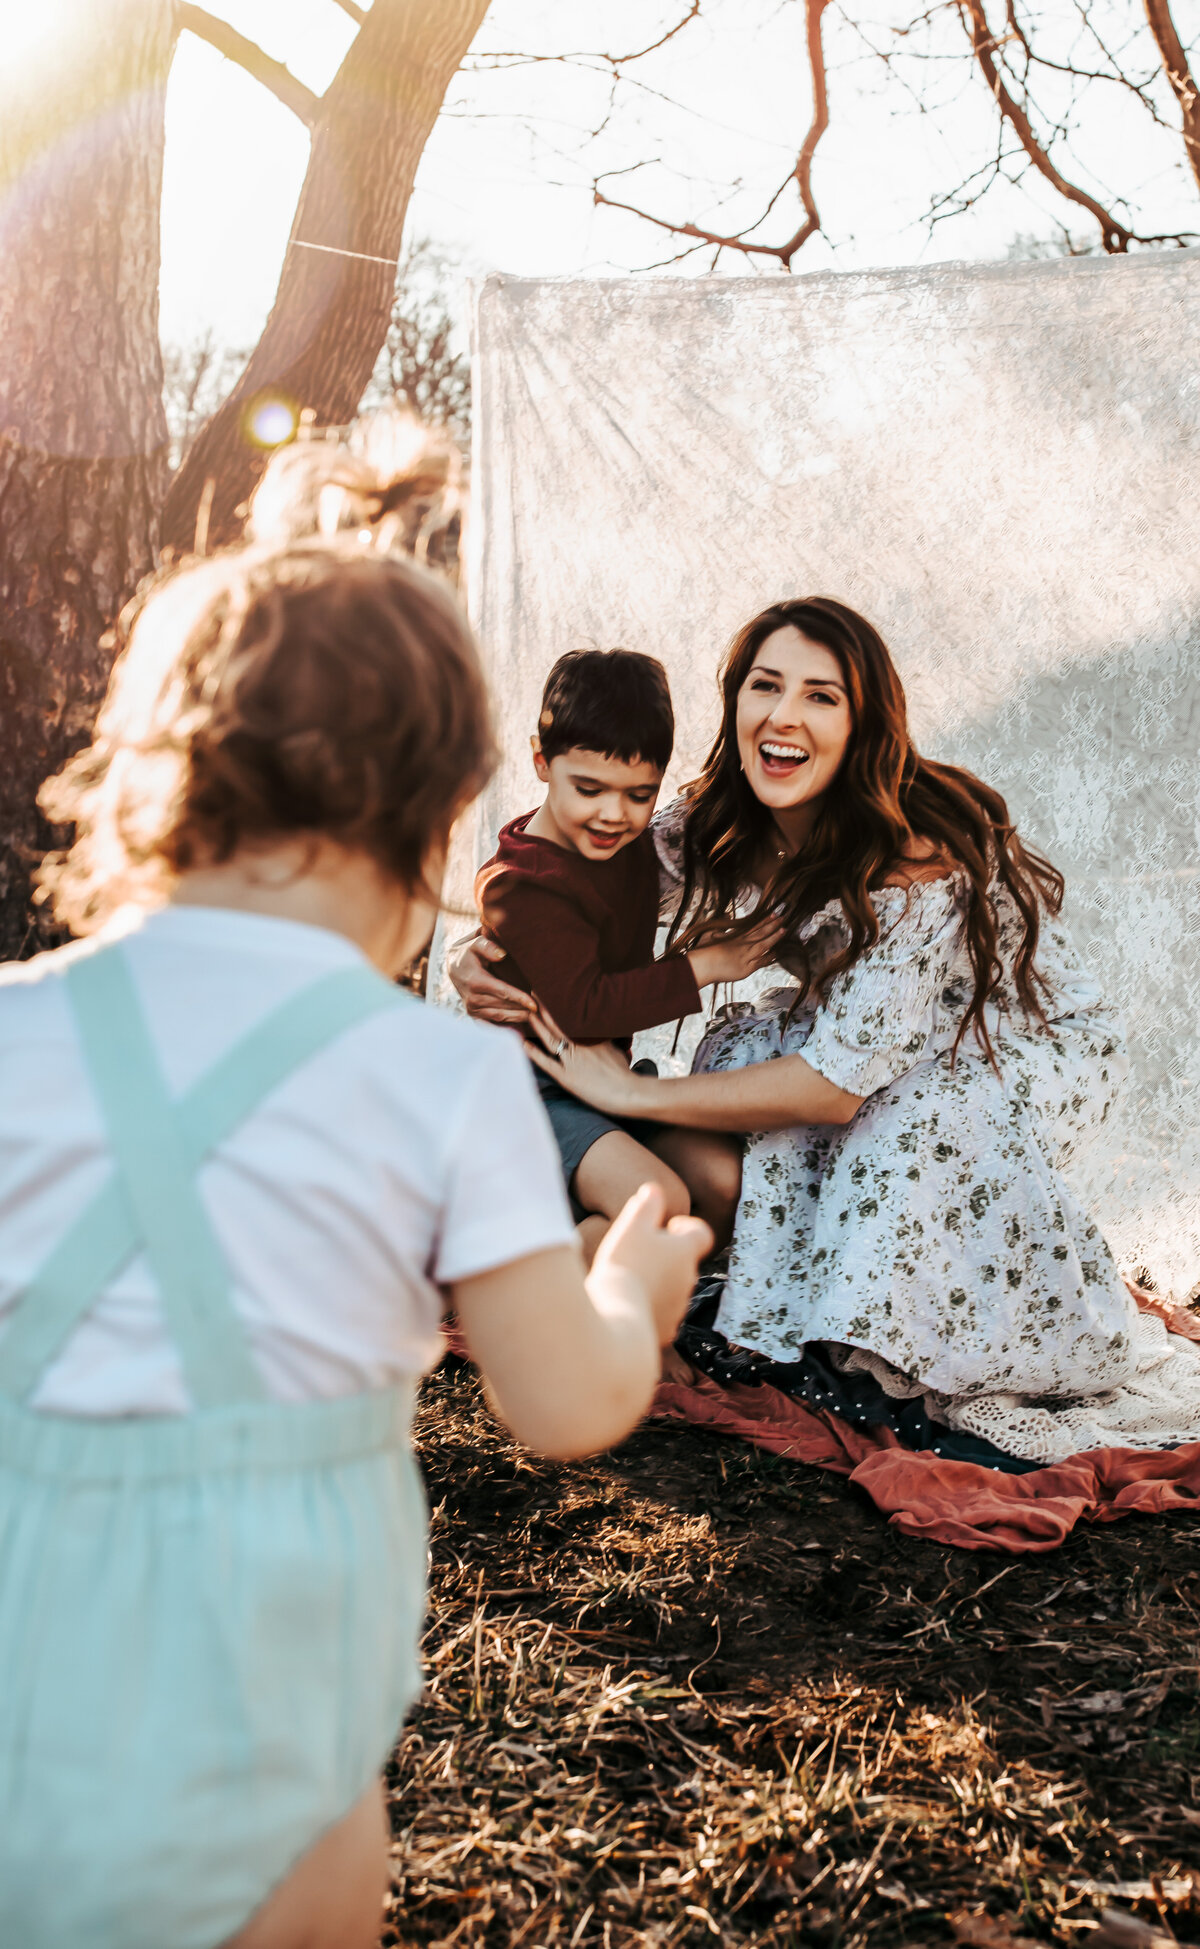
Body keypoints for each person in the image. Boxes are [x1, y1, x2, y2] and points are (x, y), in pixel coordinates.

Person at [0, 539, 710, 1949]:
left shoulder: (15, 1025)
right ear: (441, 810)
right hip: (274, 1631)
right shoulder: (439, 1079)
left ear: (159, 768)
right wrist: (629, 1291)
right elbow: (560, 1402)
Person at [454, 596, 1200, 1466]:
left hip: (1004, 1045)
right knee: (737, 1090)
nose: (785, 715)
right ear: (733, 703)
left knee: (901, 1117)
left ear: (863, 722)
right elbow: (574, 872)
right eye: (765, 685)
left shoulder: (917, 855)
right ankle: (660, 1268)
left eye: (822, 696)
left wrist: (624, 1089)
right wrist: (488, 947)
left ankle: (903, 1320)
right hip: (858, 1034)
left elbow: (835, 1088)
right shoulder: (718, 816)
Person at [475, 647, 777, 1259]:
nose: (613, 814)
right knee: (656, 1197)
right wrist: (705, 965)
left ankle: (597, 1274)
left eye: (639, 794)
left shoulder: (635, 844)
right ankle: (564, 1307)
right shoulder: (522, 882)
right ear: (541, 761)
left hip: (604, 1086)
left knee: (720, 1180)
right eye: (588, 788)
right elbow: (583, 1008)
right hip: (528, 1098)